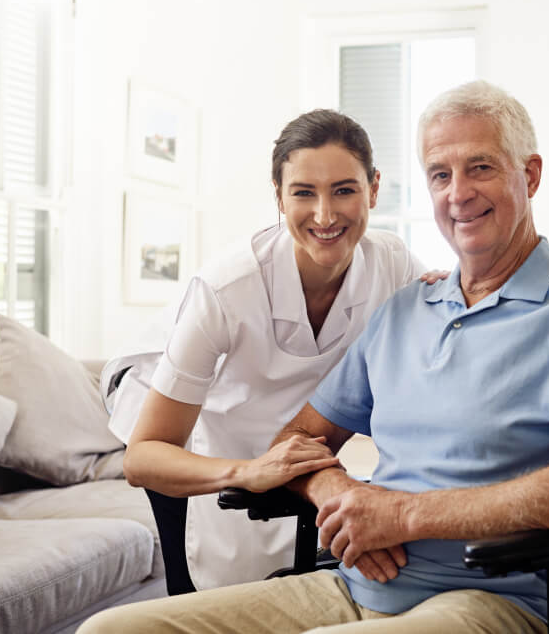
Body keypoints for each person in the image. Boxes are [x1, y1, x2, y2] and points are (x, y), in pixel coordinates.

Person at [79, 81, 549, 634]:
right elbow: (295, 442)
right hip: (351, 582)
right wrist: (345, 497)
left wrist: (398, 516)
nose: (458, 193)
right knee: (109, 630)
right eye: (440, 175)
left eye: (482, 168)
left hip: (488, 599)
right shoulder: (404, 309)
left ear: (531, 175)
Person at [103, 109, 442, 595]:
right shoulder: (227, 289)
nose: (325, 215)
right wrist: (245, 470)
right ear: (279, 197)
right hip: (174, 415)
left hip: (286, 418)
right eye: (303, 192)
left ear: (374, 187)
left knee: (291, 576)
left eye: (344, 190)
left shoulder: (394, 263)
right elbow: (144, 457)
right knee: (204, 593)